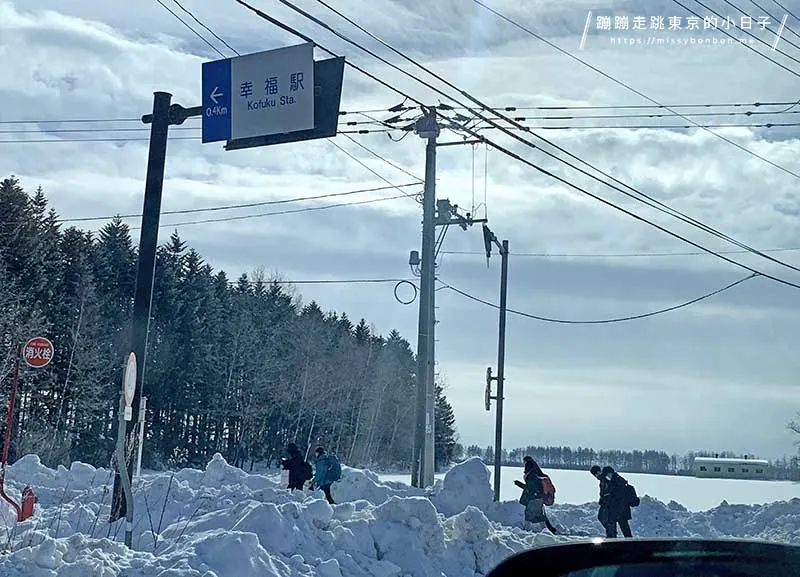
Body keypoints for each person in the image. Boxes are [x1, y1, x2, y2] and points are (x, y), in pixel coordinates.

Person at [516, 456, 558, 533]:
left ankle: (526, 531)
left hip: (534, 498)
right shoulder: (537, 472)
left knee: (529, 514)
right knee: (539, 515)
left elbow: (529, 488)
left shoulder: (532, 475)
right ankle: (547, 531)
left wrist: (520, 486)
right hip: (539, 498)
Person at [599, 465, 633, 538]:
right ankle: (612, 541)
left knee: (625, 529)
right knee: (613, 529)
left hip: (621, 510)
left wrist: (609, 496)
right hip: (614, 510)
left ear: (611, 473)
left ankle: (630, 543)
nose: (607, 476)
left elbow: (619, 496)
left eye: (608, 474)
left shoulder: (619, 481)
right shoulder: (608, 481)